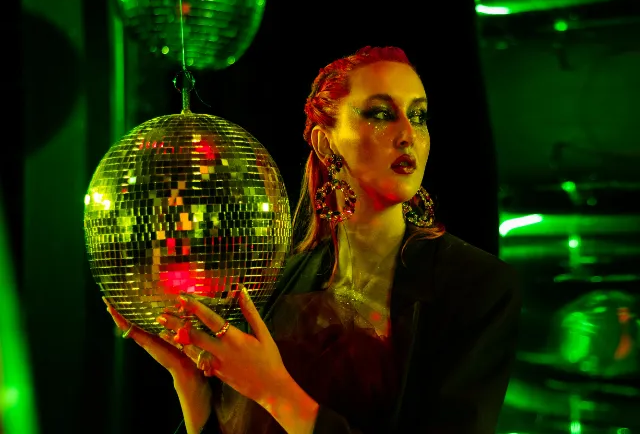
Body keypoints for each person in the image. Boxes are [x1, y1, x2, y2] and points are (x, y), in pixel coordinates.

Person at [105, 46, 521, 434]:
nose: (408, 135)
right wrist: (193, 384)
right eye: (381, 114)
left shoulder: (477, 286)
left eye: (419, 116)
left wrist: (275, 391)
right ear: (325, 143)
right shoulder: (275, 281)